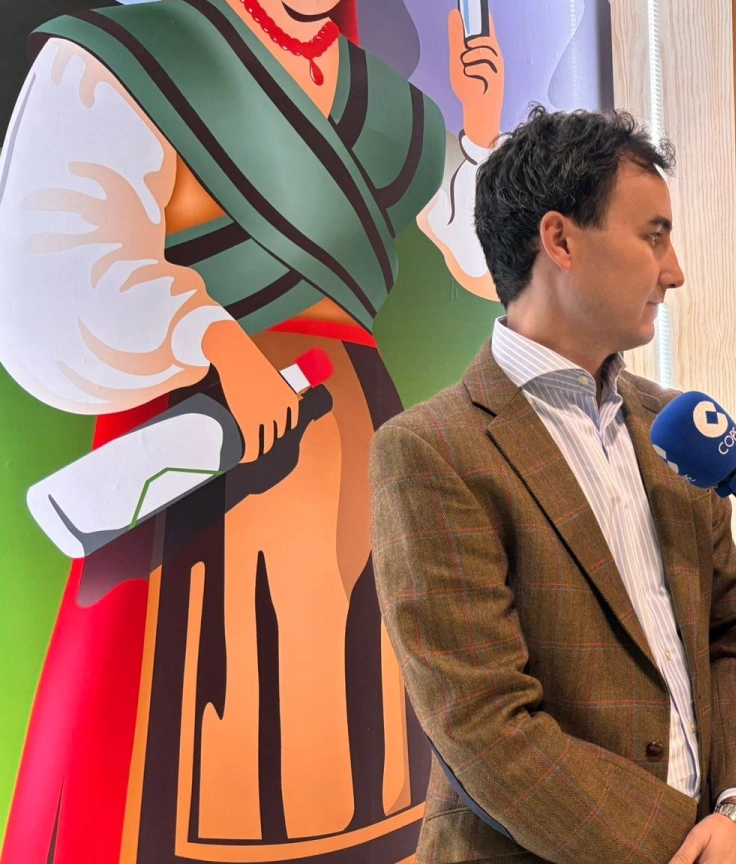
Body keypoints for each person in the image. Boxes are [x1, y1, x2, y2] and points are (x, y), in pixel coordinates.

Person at [0, 0, 503, 858]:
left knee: (378, 749)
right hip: (204, 431)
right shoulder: (139, 51)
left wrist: (481, 130)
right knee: (177, 761)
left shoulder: (383, 102)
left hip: (352, 436)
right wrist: (213, 338)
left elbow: (485, 264)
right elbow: (54, 262)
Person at [370, 109, 736, 864]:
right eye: (653, 236)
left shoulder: (670, 426)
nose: (675, 271)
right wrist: (681, 848)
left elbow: (735, 633)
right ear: (559, 240)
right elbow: (482, 722)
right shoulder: (433, 451)